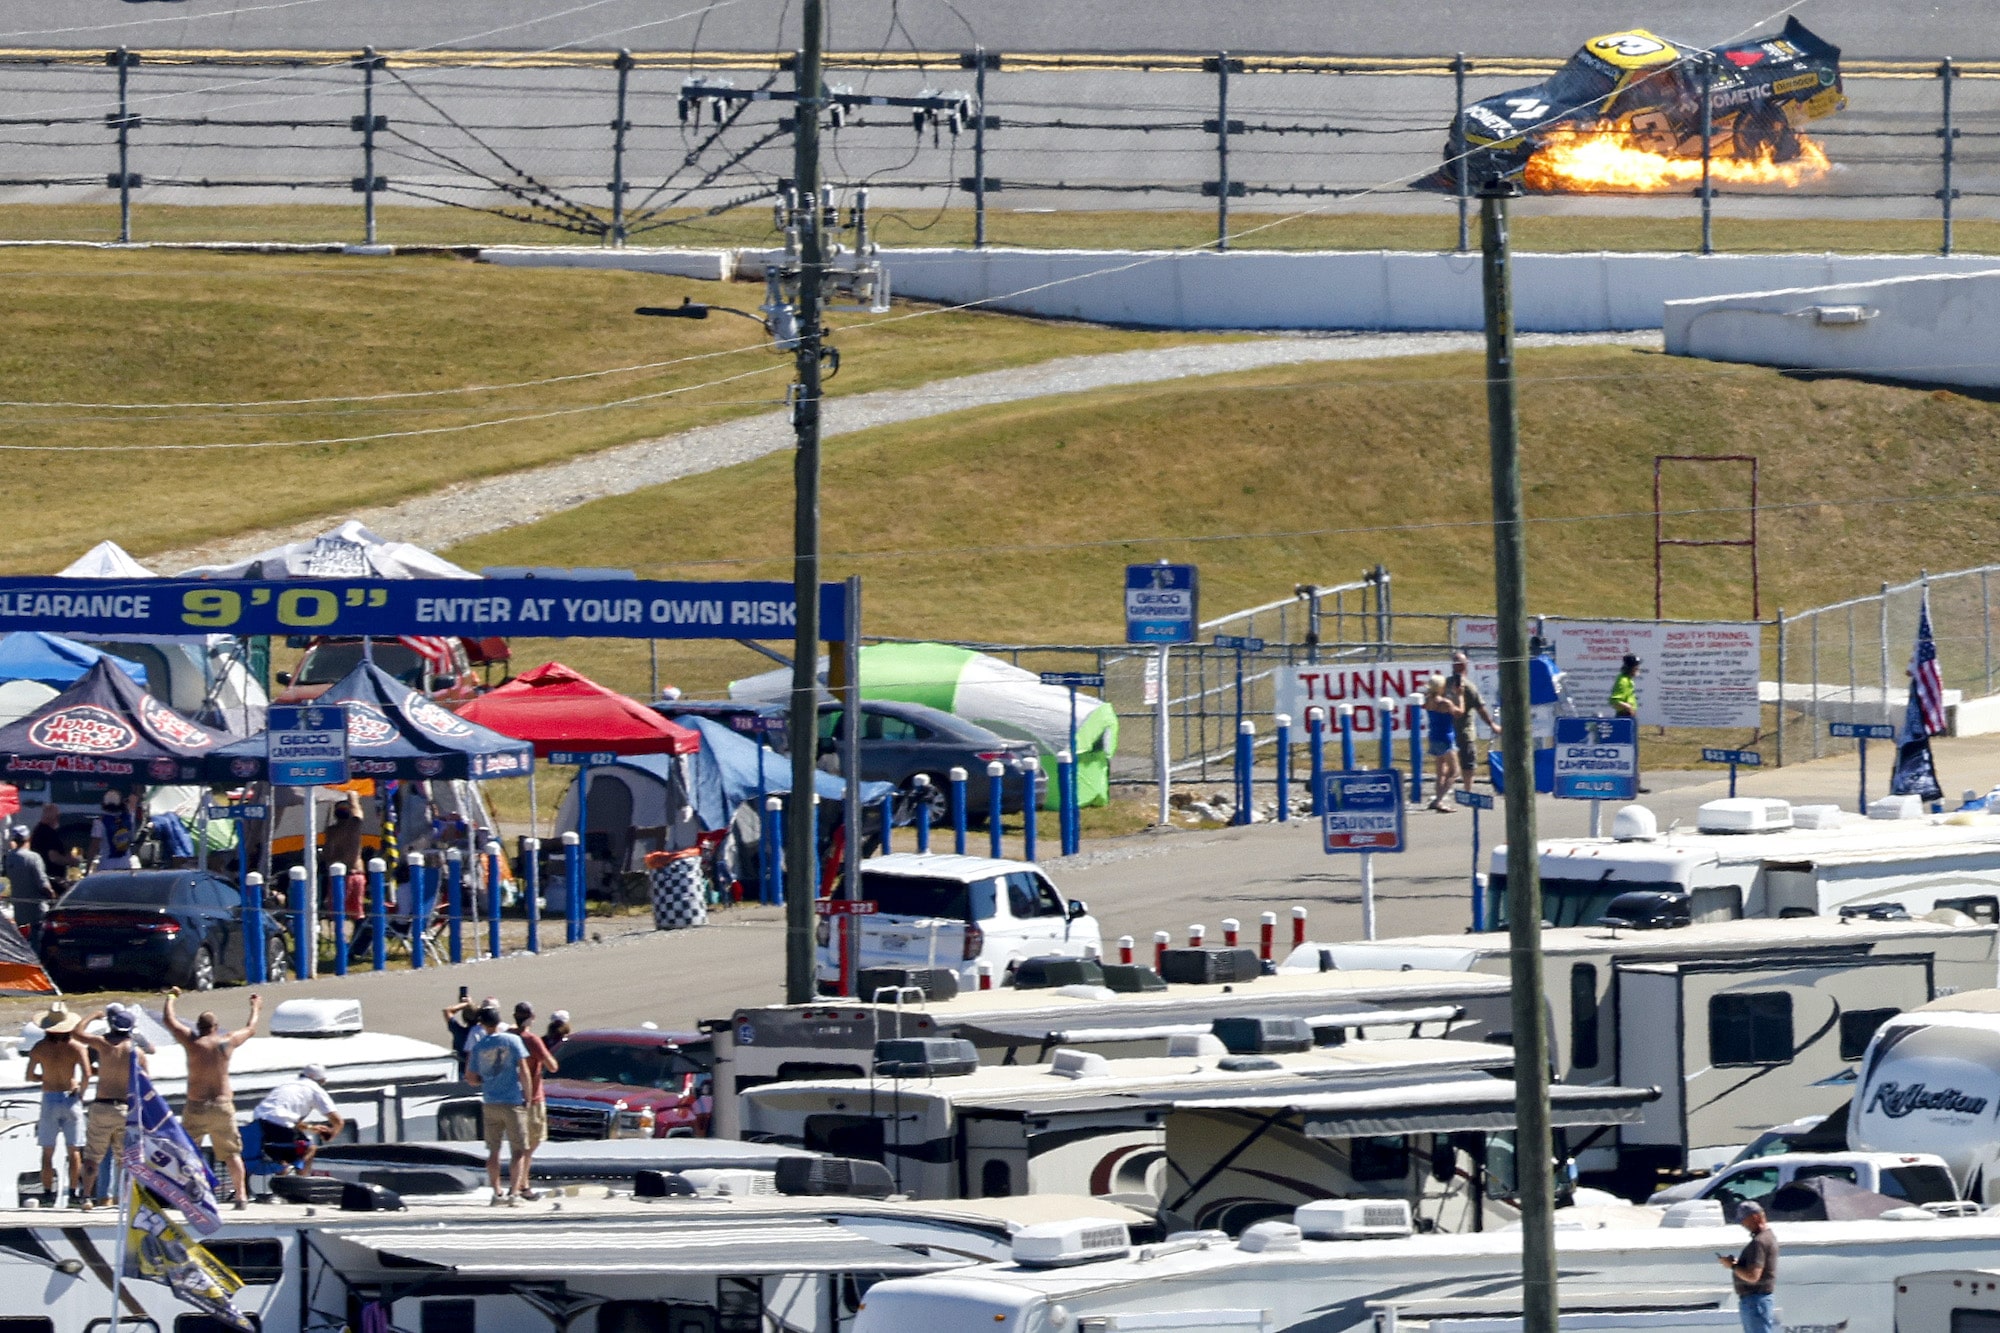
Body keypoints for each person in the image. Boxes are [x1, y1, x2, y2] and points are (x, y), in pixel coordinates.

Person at [162, 989, 261, 1209]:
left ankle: (189, 1194)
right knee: (231, 1154)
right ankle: (241, 1196)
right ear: (216, 1027)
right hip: (221, 1106)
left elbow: (168, 1020)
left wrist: (171, 997)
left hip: (196, 1106)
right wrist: (255, 1007)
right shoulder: (227, 1041)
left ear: (199, 1027)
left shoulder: (192, 1042)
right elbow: (251, 1028)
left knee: (187, 1152)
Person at [76, 1004, 149, 1208]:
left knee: (92, 1158)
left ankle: (86, 1198)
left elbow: (77, 1033)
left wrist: (92, 1015)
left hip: (101, 1106)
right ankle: (124, 1201)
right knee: (124, 1159)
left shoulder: (103, 1044)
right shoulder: (137, 1053)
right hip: (125, 1108)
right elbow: (145, 1084)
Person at [462, 1002, 533, 1205]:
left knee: (494, 1150)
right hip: (512, 1101)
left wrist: (487, 1080)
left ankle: (496, 1191)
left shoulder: (479, 1046)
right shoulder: (512, 1040)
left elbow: (471, 1077)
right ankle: (514, 1192)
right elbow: (524, 1070)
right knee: (518, 1150)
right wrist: (527, 1097)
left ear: (483, 1024)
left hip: (490, 1102)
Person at [24, 1007, 88, 1206]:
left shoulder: (39, 1048)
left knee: (47, 1151)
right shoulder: (77, 1047)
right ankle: (74, 1193)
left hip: (49, 1097)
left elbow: (28, 1076)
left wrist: (46, 1077)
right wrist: (80, 1092)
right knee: (74, 1150)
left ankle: (47, 1193)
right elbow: (87, 1073)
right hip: (71, 1097)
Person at [250, 1065, 343, 1177]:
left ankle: (281, 1182)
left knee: (281, 1158)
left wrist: (310, 1128)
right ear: (321, 1080)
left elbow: (282, 1117)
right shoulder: (315, 1089)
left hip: (258, 1124)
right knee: (310, 1149)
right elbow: (338, 1121)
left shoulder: (286, 1085)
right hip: (279, 1125)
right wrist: (330, 1134)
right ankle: (301, 1182)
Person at [510, 1001, 559, 1196]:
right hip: (533, 1097)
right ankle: (522, 1183)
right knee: (531, 1142)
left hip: (511, 1095)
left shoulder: (509, 1037)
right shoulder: (532, 1040)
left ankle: (521, 1181)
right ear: (531, 1017)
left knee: (521, 1143)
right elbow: (552, 1065)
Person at [1719, 1199, 1778, 1333]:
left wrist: (1732, 1266)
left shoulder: (1759, 1242)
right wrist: (1739, 1263)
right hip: (1758, 1300)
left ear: (1755, 1217)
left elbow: (1753, 1276)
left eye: (1743, 1220)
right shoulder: (1768, 1237)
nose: (1742, 1224)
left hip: (1755, 1301)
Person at [1449, 653, 1500, 783]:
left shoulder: (1446, 684)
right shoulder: (1469, 688)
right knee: (1468, 765)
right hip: (1465, 733)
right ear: (1465, 666)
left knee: (1448, 764)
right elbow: (1481, 709)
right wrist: (1492, 725)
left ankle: (1443, 793)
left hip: (1449, 732)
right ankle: (1468, 790)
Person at [3, 826, 53, 942]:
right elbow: (43, 885)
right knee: (38, 942)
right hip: (36, 912)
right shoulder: (33, 858)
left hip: (19, 911)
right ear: (28, 838)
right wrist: (53, 897)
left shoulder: (8, 858)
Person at [1422, 672, 1463, 812]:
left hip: (1434, 736)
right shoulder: (1445, 703)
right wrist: (1459, 695)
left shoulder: (1428, 700)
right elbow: (1459, 712)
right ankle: (1439, 800)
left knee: (1441, 772)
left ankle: (1438, 798)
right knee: (1455, 771)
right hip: (1446, 737)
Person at [30, 803, 76, 890]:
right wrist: (70, 861)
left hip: (42, 877)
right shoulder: (50, 834)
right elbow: (54, 858)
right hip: (53, 879)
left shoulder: (37, 830)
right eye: (57, 816)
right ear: (53, 817)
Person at [91, 792, 138, 871]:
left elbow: (93, 847)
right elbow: (134, 799)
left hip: (106, 866)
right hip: (125, 865)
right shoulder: (129, 818)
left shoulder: (99, 822)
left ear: (104, 805)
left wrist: (88, 869)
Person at [442, 991, 478, 1076]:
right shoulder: (483, 1032)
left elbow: (447, 1011)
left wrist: (464, 1005)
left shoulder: (459, 1032)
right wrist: (471, 1005)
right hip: (478, 1071)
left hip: (460, 1070)